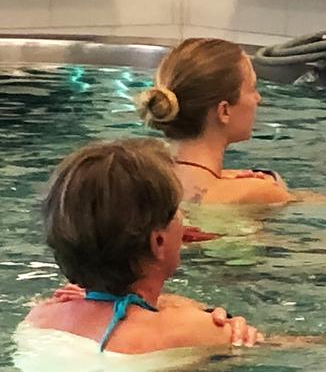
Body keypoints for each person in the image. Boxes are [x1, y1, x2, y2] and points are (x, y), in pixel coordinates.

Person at [22, 138, 262, 353]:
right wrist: (231, 327)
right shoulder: (196, 331)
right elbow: (292, 346)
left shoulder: (40, 318)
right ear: (158, 242)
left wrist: (169, 304)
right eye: (178, 211)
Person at [135, 38, 292, 206]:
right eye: (252, 88)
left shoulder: (141, 182)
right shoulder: (256, 193)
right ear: (224, 111)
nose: (257, 98)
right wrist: (275, 186)